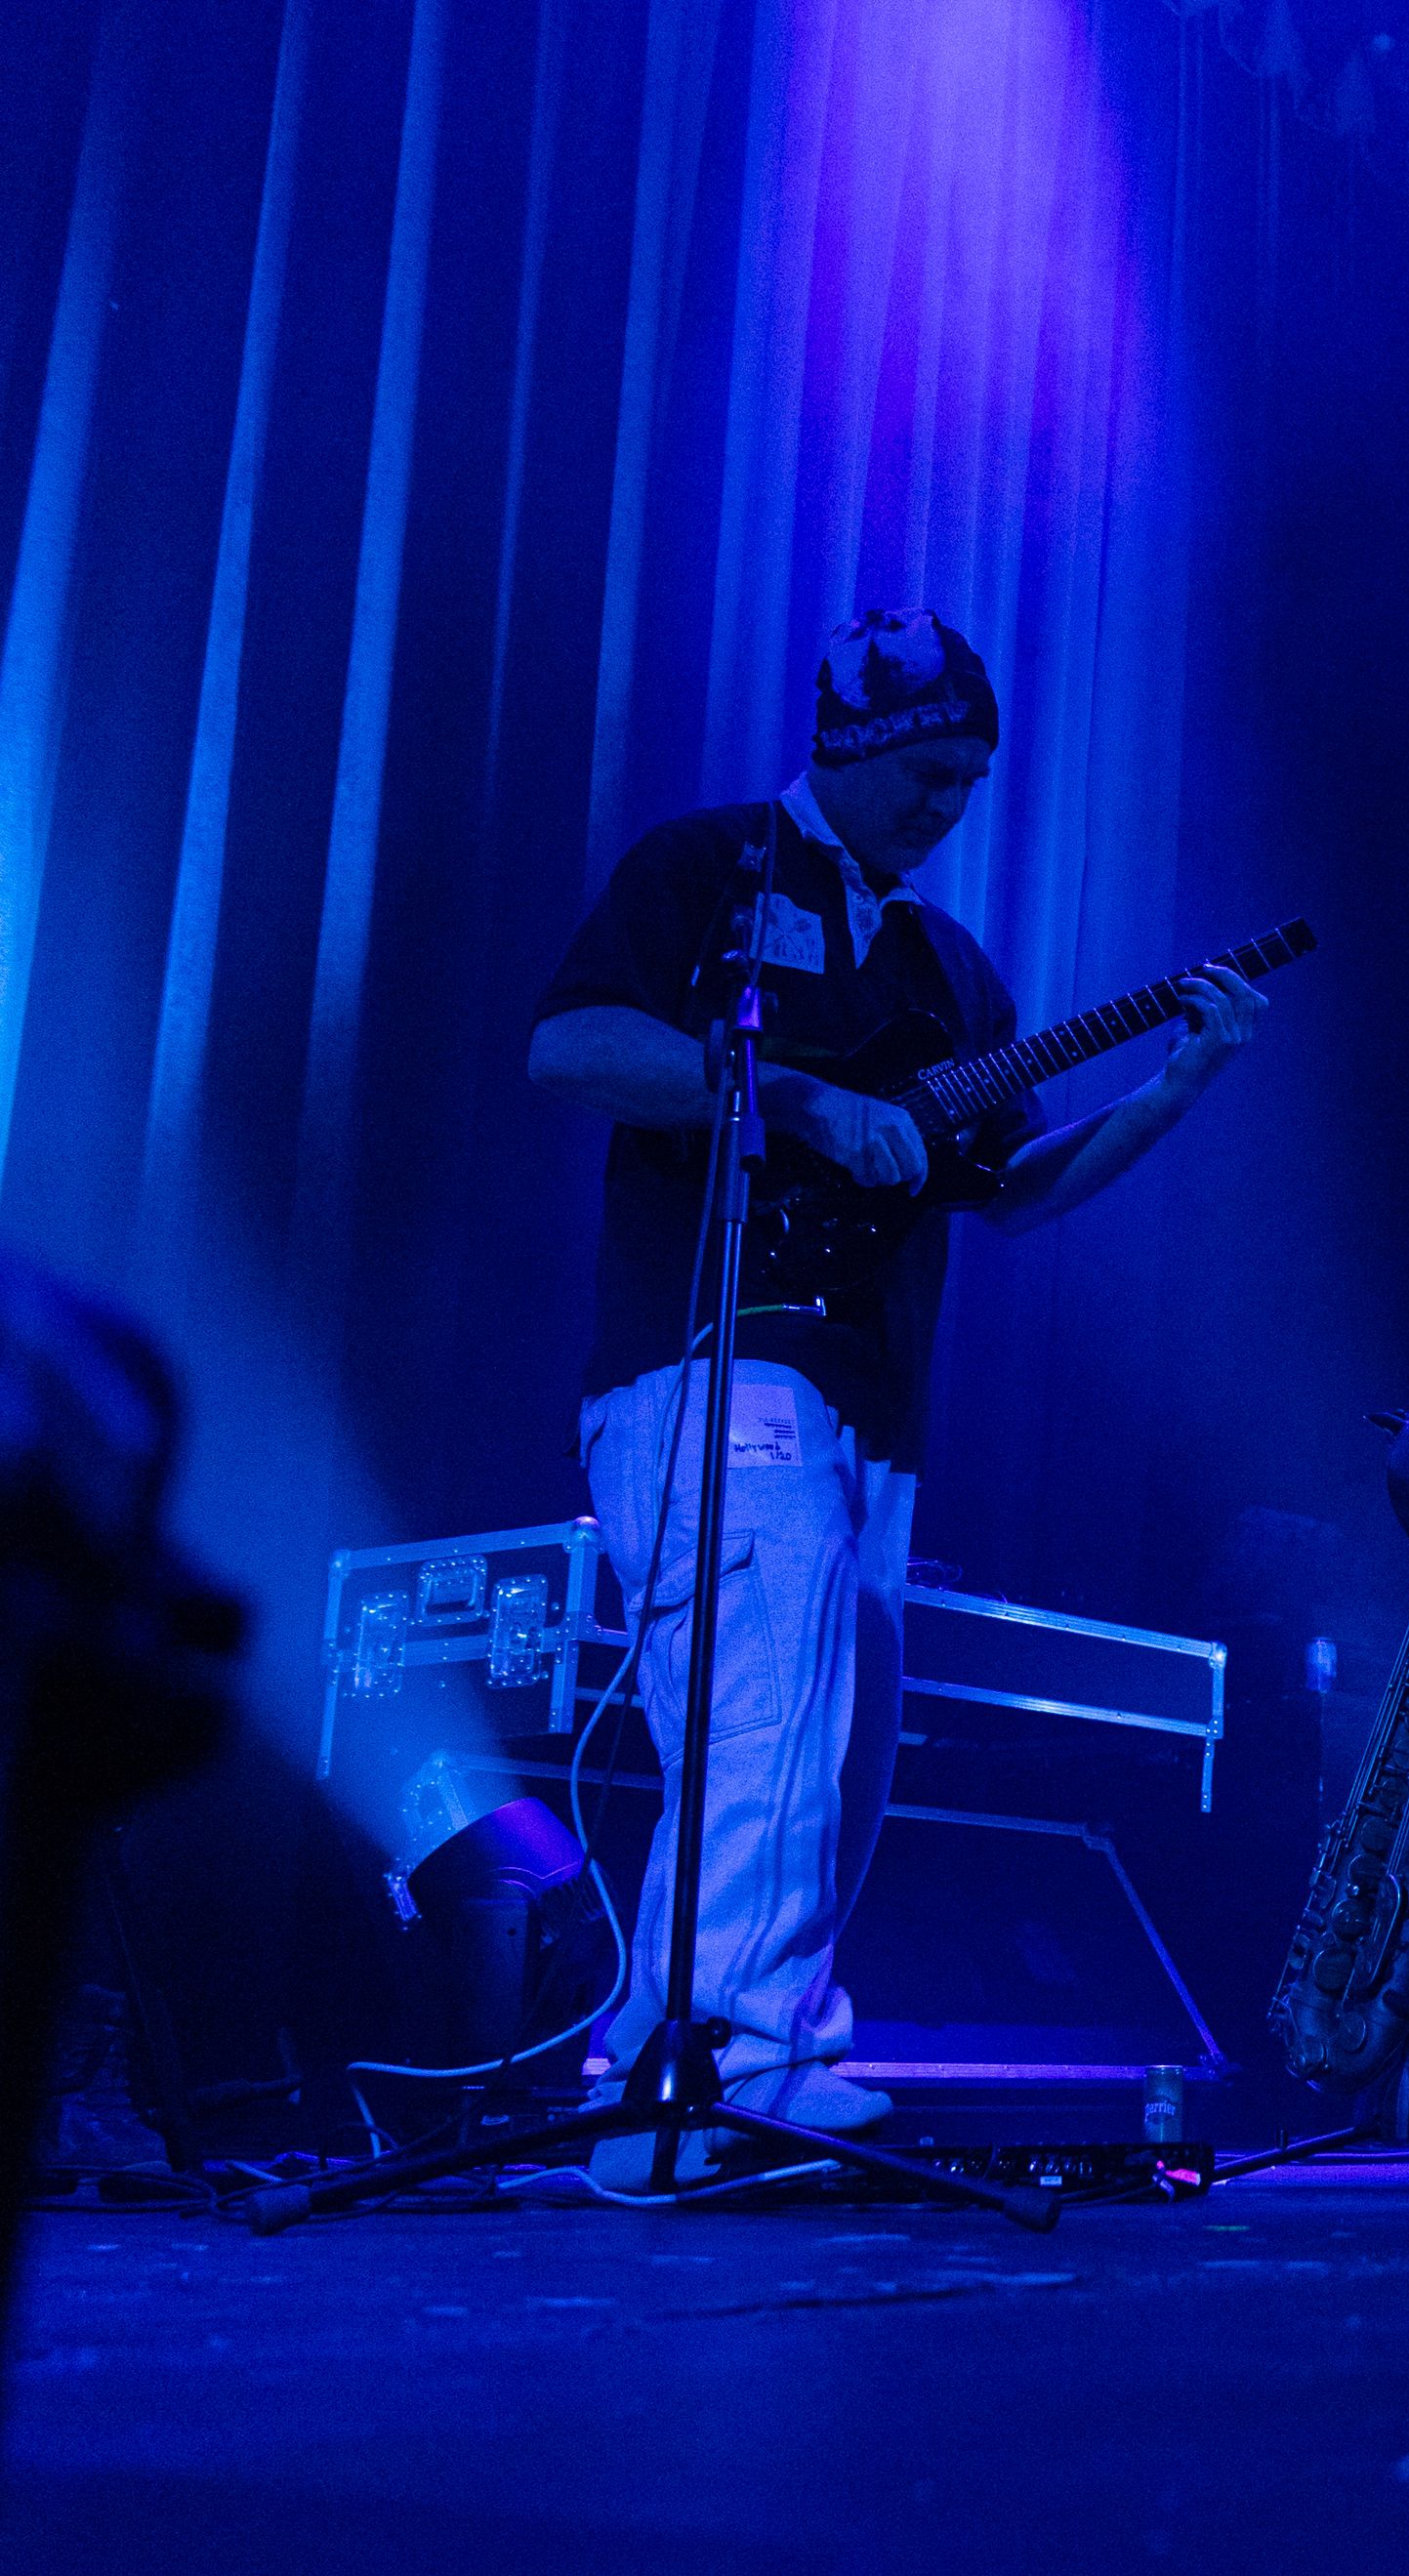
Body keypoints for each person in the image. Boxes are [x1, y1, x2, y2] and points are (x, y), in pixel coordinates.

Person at [528, 609, 1264, 2184]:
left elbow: (1016, 1194)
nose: (952, 804)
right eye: (930, 772)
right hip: (708, 1357)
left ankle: (678, 2069)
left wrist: (1176, 1086)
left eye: (973, 779)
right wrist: (791, 1094)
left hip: (873, 1408)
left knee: (828, 1748)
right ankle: (730, 2065)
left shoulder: (950, 967)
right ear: (852, 750)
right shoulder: (710, 866)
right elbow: (573, 1043)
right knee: (768, 1716)